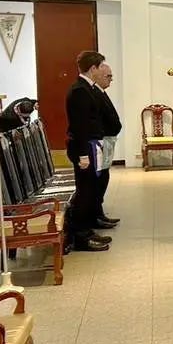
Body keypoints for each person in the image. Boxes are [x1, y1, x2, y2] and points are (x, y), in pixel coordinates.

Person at [65, 51, 111, 251]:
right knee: (85, 192)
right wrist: (83, 154)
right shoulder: (79, 91)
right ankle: (81, 237)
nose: (102, 70)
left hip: (92, 145)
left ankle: (87, 230)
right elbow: (80, 126)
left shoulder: (87, 88)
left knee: (91, 190)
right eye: (100, 67)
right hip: (85, 147)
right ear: (93, 68)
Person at [93, 64, 121, 228]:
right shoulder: (94, 93)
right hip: (102, 140)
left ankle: (100, 212)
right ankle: (96, 213)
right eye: (108, 76)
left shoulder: (101, 92)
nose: (111, 79)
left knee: (104, 176)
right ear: (97, 75)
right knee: (100, 178)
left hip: (108, 139)